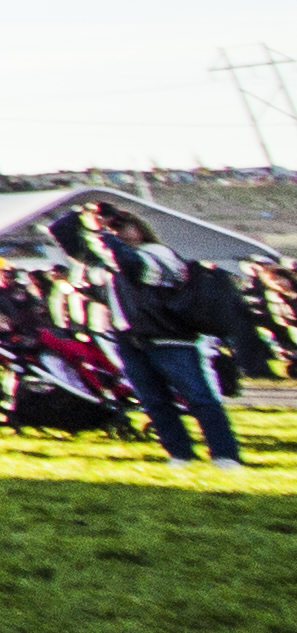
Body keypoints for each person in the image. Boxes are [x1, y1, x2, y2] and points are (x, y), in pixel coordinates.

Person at [83, 196, 249, 470]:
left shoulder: (159, 254)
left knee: (198, 397)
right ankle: (179, 453)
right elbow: (71, 242)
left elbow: (135, 268)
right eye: (115, 228)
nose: (119, 231)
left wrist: (105, 234)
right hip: (130, 339)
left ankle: (224, 454)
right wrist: (87, 221)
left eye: (124, 225)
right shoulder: (109, 260)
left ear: (140, 228)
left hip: (170, 337)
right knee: (154, 401)